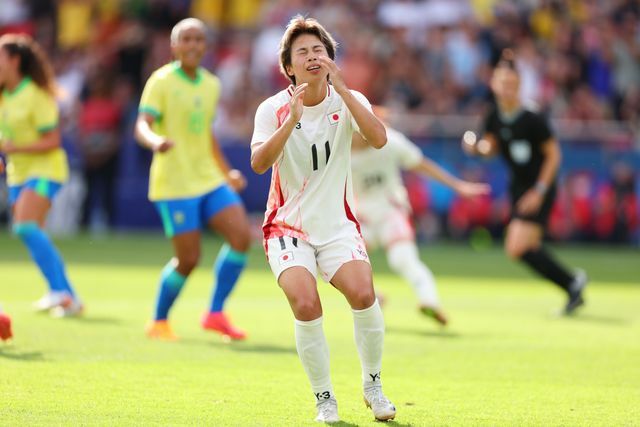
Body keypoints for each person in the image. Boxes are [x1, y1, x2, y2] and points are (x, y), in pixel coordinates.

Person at [251, 16, 396, 423]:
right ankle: (324, 398)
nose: (313, 57)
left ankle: (373, 385)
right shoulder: (273, 109)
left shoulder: (349, 100)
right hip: (287, 227)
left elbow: (379, 138)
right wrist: (291, 119)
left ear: (331, 58)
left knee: (364, 294)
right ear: (289, 67)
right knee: (305, 301)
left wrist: (346, 92)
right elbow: (259, 163)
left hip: (336, 226)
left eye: (320, 50)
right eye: (303, 52)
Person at [135, 18, 251, 341]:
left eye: (198, 39)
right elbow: (142, 124)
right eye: (185, 39)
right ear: (174, 46)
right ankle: (159, 321)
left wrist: (227, 172)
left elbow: (206, 135)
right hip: (174, 183)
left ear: (205, 46)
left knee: (241, 236)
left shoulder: (211, 84)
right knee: (188, 259)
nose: (192, 45)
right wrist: (155, 140)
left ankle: (215, 313)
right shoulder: (160, 81)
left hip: (208, 178)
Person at [462, 49, 588, 315]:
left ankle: (572, 282)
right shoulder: (493, 115)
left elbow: (554, 154)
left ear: (518, 85)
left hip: (540, 186)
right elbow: (491, 147)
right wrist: (475, 147)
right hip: (518, 186)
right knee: (522, 247)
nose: (507, 88)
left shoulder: (532, 117)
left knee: (517, 246)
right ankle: (572, 284)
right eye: (502, 83)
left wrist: (540, 190)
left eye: (512, 83)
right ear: (494, 85)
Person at [351, 117, 491, 326]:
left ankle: (429, 301)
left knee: (402, 260)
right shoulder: (337, 148)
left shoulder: (390, 142)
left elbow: (422, 165)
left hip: (391, 211)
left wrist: (458, 186)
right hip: (360, 216)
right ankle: (373, 297)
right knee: (340, 265)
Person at [0, 34, 83, 317]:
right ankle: (64, 294)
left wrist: (14, 147)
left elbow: (53, 140)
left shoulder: (35, 94)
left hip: (47, 169)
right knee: (33, 232)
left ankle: (63, 293)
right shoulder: (4, 96)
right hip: (18, 173)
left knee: (24, 227)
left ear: (14, 60)